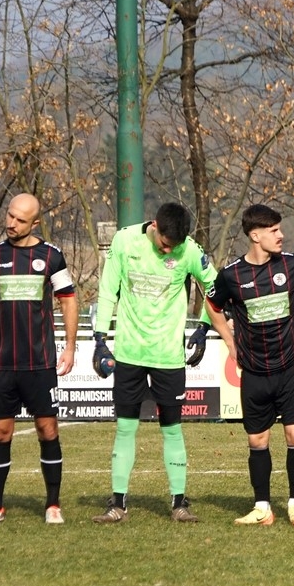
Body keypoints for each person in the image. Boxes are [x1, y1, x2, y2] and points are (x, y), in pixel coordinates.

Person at [91, 202, 218, 524]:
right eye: (164, 243)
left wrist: (204, 328)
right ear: (154, 226)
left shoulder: (190, 250)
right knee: (125, 427)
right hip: (129, 354)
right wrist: (100, 338)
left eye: (174, 246)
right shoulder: (124, 241)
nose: (168, 250)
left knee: (172, 429)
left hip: (168, 357)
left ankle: (179, 503)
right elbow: (108, 290)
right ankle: (118, 503)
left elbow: (216, 288)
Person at [205, 204, 294, 526]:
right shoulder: (231, 275)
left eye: (279, 229)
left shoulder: (292, 264)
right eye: (273, 231)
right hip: (255, 371)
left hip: (290, 367)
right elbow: (212, 305)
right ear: (255, 236)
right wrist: (230, 341)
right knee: (257, 441)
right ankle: (262, 508)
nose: (280, 235)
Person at [0, 193, 78, 525]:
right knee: (0, 432)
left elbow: (68, 300)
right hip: (3, 364)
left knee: (47, 429)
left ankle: (53, 505)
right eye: (10, 216)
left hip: (40, 363)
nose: (11, 223)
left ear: (35, 223)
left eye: (20, 219)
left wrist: (70, 347)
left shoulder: (51, 256)